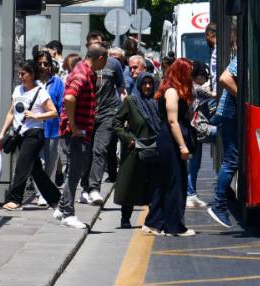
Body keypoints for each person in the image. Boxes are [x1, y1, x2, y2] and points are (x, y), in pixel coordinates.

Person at [55, 44, 108, 229]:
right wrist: (73, 124)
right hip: (75, 132)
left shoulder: (87, 71)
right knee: (75, 171)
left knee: (75, 169)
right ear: (101, 58)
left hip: (80, 130)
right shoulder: (82, 73)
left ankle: (62, 208)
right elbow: (70, 98)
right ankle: (68, 213)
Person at [0, 60, 61, 211]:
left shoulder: (40, 92)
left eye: (23, 74)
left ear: (32, 75)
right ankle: (55, 198)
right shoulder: (18, 90)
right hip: (20, 134)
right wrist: (2, 132)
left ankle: (15, 199)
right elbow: (11, 112)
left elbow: (54, 112)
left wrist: (36, 116)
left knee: (22, 164)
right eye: (19, 73)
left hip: (35, 133)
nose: (20, 76)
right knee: (35, 170)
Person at [148, 58, 196, 236]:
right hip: (171, 140)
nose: (191, 75)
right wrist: (183, 146)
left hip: (169, 139)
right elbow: (172, 121)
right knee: (176, 182)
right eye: (189, 71)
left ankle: (154, 222)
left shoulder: (172, 90)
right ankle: (174, 227)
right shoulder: (172, 92)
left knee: (165, 182)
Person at [80, 32, 127, 205]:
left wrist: (124, 112)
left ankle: (94, 188)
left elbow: (121, 89)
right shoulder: (82, 65)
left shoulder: (113, 64)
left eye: (100, 44)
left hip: (107, 113)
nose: (98, 47)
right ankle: (84, 187)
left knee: (100, 150)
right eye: (93, 44)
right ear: (87, 47)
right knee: (86, 153)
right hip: (87, 114)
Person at [112, 72, 158, 229]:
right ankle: (125, 218)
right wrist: (128, 139)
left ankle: (153, 219)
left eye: (150, 83)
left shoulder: (157, 101)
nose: (147, 86)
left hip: (154, 149)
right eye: (144, 83)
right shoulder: (131, 101)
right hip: (134, 150)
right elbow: (117, 122)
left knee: (153, 184)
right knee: (130, 184)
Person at [207, 49, 239, 229]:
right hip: (231, 115)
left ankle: (220, 203)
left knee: (232, 160)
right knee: (231, 160)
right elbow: (224, 78)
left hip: (230, 115)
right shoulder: (243, 56)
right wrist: (245, 98)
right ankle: (218, 205)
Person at [32, 50, 65, 205]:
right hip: (34, 128)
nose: (43, 67)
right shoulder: (31, 82)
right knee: (40, 162)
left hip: (52, 128)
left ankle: (46, 194)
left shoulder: (57, 82)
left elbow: (61, 105)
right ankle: (40, 193)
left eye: (46, 63)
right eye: (40, 64)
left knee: (51, 163)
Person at [186, 61, 214, 208]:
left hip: (194, 129)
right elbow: (214, 95)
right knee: (193, 164)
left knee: (195, 164)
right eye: (205, 76)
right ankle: (190, 194)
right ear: (198, 76)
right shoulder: (196, 88)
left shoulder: (192, 87)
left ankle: (192, 194)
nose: (207, 79)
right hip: (197, 128)